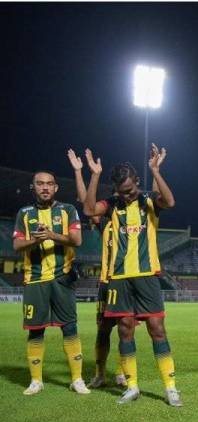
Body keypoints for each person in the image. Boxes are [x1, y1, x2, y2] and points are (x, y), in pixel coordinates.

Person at [83, 145, 182, 407]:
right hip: (118, 279)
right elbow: (89, 210)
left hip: (146, 275)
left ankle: (170, 388)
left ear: (137, 182)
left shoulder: (148, 200)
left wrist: (156, 171)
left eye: (128, 190)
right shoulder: (112, 204)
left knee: (157, 329)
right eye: (120, 191)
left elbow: (170, 202)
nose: (125, 195)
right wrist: (94, 175)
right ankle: (132, 386)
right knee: (125, 330)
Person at [13, 168, 88, 395]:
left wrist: (52, 235)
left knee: (70, 327)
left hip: (62, 277)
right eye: (40, 183)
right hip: (34, 279)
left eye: (49, 183)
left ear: (55, 187)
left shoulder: (68, 210)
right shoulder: (24, 213)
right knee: (36, 331)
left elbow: (77, 240)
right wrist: (36, 239)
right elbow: (17, 246)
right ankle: (36, 381)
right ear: (33, 187)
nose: (45, 187)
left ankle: (76, 379)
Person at [66, 149, 127, 389]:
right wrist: (81, 172)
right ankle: (100, 374)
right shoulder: (105, 217)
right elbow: (86, 202)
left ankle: (123, 372)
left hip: (128, 280)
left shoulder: (137, 216)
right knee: (104, 330)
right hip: (107, 280)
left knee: (126, 328)